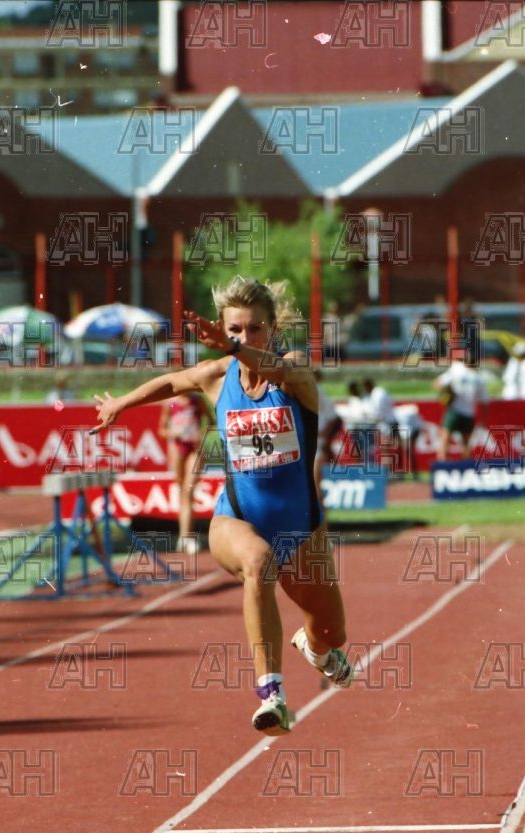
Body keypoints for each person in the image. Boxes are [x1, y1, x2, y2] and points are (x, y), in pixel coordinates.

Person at [92, 276, 353, 735]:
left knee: (332, 633)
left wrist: (236, 349)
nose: (244, 337)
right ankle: (271, 694)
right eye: (235, 329)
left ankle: (315, 649)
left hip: (301, 528)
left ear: (272, 329)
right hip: (237, 518)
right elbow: (173, 381)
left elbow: (277, 370)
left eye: (255, 328)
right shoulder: (217, 376)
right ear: (221, 328)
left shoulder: (293, 371)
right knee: (258, 562)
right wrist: (122, 404)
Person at [158, 391, 214, 554]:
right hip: (177, 447)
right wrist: (175, 432)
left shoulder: (197, 400)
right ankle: (183, 536)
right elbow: (162, 429)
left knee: (188, 490)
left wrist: (200, 433)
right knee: (183, 492)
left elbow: (211, 422)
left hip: (195, 449)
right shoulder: (170, 403)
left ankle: (187, 537)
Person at [433, 345, 489, 460]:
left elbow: (437, 384)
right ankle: (466, 468)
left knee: (444, 439)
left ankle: (441, 465)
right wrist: (483, 420)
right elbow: (484, 401)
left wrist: (446, 392)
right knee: (466, 443)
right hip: (469, 413)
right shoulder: (479, 378)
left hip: (454, 410)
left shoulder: (456, 369)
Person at [312, 369, 343, 509]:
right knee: (313, 481)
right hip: (312, 439)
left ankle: (321, 513)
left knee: (314, 480)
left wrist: (323, 434)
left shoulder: (319, 391)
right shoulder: (311, 390)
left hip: (316, 440)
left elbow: (333, 418)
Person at [360, 377, 402, 475]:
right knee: (390, 450)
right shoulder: (377, 393)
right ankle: (392, 472)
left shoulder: (378, 394)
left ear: (367, 385)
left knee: (387, 450)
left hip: (388, 424)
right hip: (389, 423)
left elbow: (378, 413)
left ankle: (389, 473)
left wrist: (368, 415)